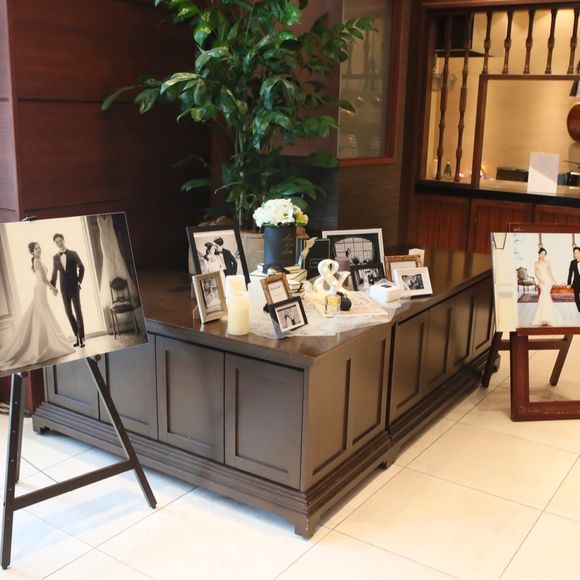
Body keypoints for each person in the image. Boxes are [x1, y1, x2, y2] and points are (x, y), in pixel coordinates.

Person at [0, 243, 74, 372]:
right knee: (42, 316)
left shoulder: (38, 260)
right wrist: (53, 288)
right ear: (32, 252)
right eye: (36, 248)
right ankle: (40, 346)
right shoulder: (36, 260)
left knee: (42, 316)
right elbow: (43, 279)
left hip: (41, 291)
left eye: (39, 247)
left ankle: (45, 344)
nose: (39, 249)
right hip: (40, 290)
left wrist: (50, 287)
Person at [50, 233, 86, 347]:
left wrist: (79, 281)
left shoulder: (73, 254)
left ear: (63, 240)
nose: (59, 243)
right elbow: (54, 273)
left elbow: (82, 267)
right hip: (64, 288)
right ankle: (77, 336)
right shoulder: (55, 257)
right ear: (55, 244)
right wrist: (52, 286)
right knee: (68, 312)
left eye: (60, 241)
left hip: (74, 286)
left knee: (78, 311)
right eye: (57, 242)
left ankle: (82, 338)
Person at [531, 248, 562, 326]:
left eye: (544, 254)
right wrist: (540, 280)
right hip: (542, 282)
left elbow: (550, 273)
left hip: (548, 282)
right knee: (543, 297)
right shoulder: (536, 263)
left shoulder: (547, 263)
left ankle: (547, 318)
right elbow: (536, 274)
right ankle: (544, 318)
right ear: (539, 254)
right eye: (542, 253)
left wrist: (555, 282)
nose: (543, 255)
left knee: (546, 297)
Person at [567, 246, 580, 312]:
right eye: (575, 253)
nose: (577, 254)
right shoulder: (573, 262)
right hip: (576, 283)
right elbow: (570, 273)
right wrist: (569, 283)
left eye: (578, 252)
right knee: (576, 297)